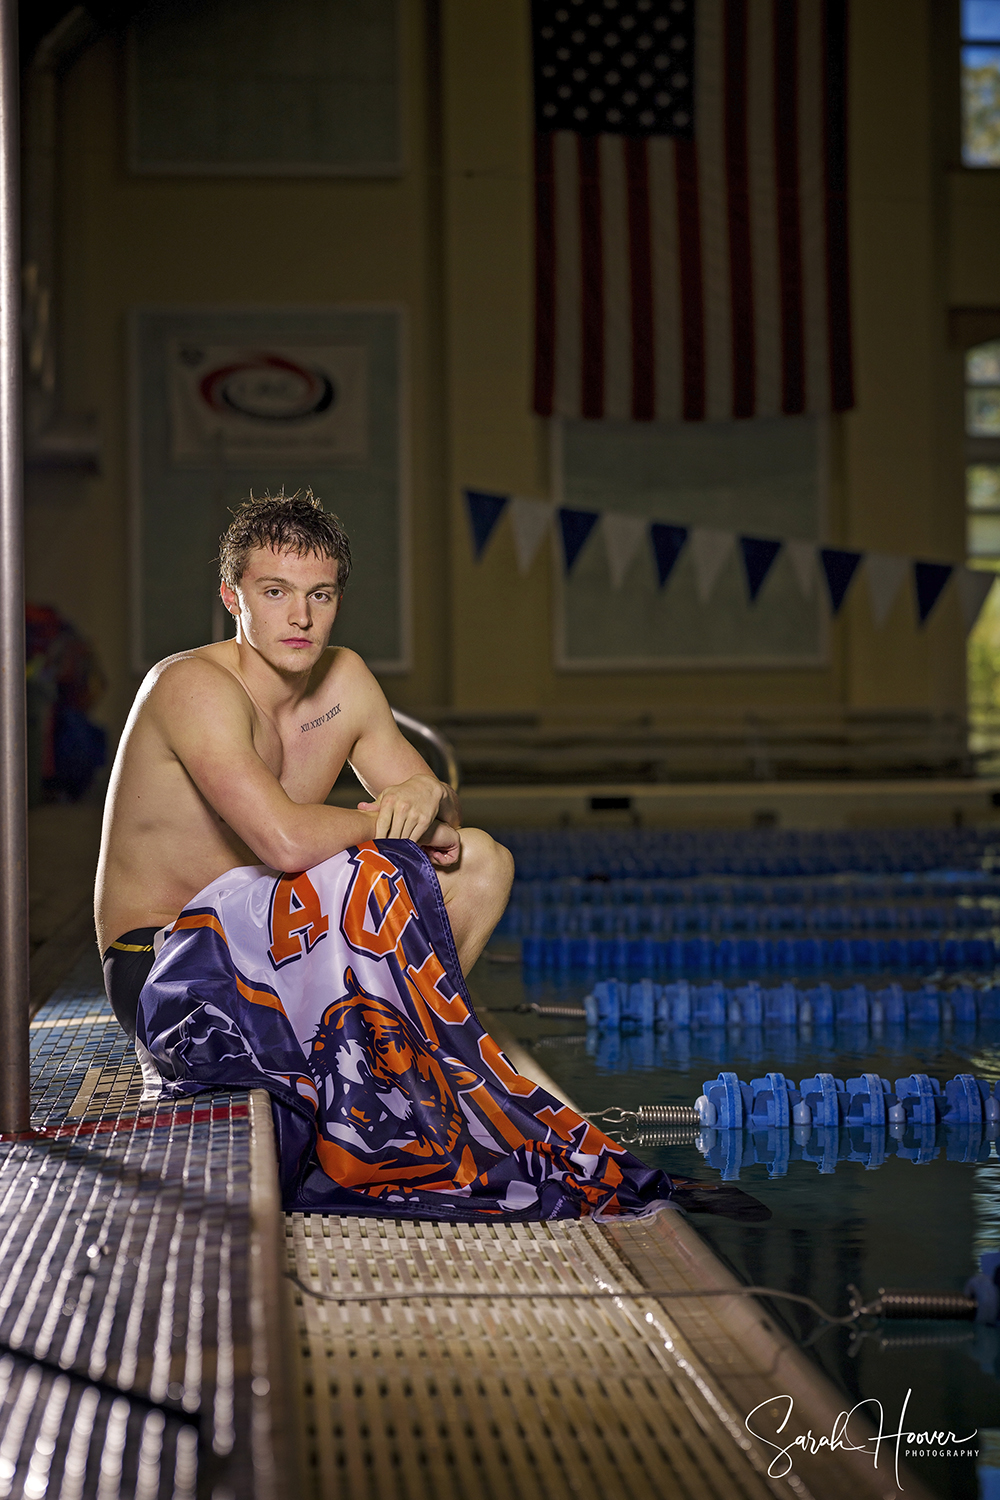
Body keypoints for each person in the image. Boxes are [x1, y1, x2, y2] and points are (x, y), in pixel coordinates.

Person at [96, 490, 514, 1040]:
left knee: (482, 863)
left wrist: (425, 793)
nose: (301, 618)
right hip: (163, 965)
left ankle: (405, 1052)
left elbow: (448, 831)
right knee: (371, 873)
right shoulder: (191, 687)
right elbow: (286, 844)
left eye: (320, 595)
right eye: (275, 592)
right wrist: (385, 822)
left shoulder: (345, 680)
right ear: (231, 597)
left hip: (271, 933)